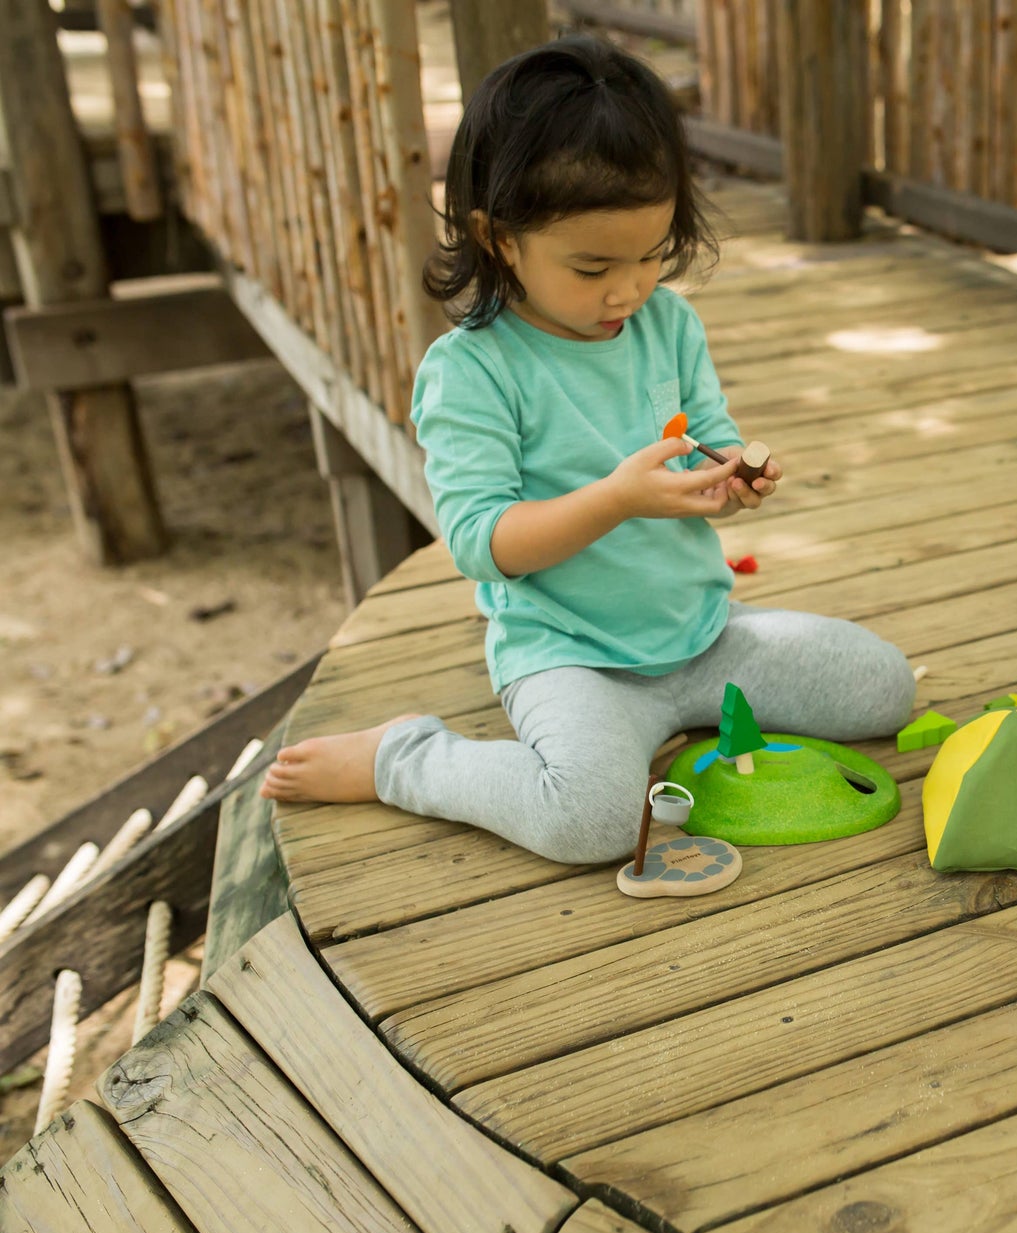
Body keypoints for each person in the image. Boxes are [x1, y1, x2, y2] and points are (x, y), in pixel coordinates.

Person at [261, 36, 915, 861]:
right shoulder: (472, 371)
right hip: (571, 655)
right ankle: (404, 758)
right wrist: (616, 498)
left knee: (884, 686)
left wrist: (734, 471)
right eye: (593, 265)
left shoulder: (665, 323)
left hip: (702, 631)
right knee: (593, 821)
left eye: (651, 254)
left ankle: (681, 714)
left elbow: (704, 430)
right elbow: (481, 544)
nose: (629, 288)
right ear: (497, 238)